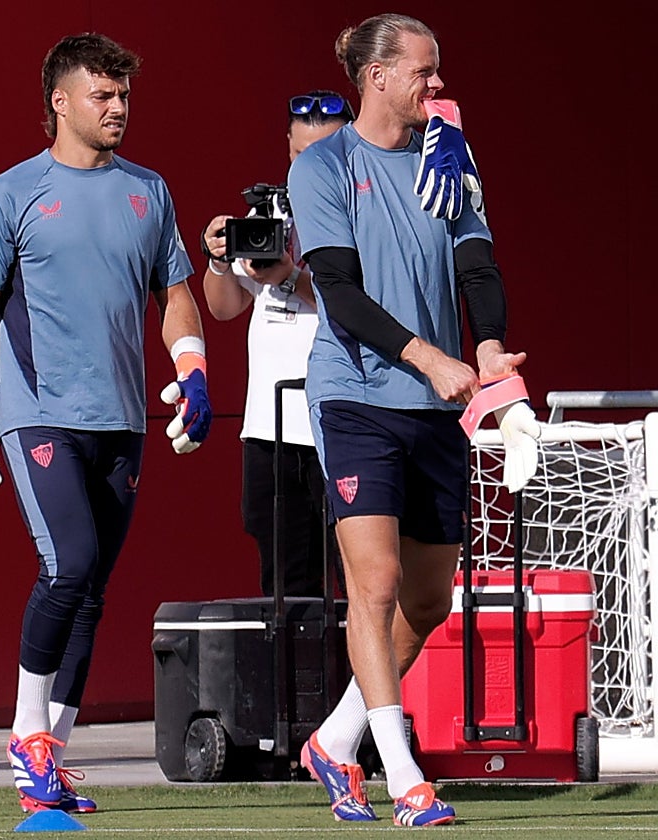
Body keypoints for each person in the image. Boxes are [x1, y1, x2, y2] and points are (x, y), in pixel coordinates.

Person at [0, 33, 211, 815]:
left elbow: (176, 295)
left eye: (124, 95)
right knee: (68, 565)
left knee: (92, 592)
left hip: (122, 419)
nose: (118, 107)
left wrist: (193, 368)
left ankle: (50, 758)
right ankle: (25, 737)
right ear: (60, 101)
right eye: (102, 95)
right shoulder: (7, 195)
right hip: (38, 415)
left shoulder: (149, 191)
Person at [286, 14, 539, 827]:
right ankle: (403, 779)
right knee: (376, 585)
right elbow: (339, 292)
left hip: (437, 407)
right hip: (355, 396)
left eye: (437, 70)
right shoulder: (323, 166)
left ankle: (334, 740)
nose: (437, 84)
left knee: (426, 602)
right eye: (424, 71)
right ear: (378, 77)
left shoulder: (450, 154)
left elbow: (477, 264)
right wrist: (432, 358)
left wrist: (488, 347)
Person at [199, 90, 353, 599]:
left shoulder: (365, 211)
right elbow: (224, 307)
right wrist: (219, 259)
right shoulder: (269, 213)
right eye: (301, 153)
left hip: (341, 421)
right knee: (284, 585)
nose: (311, 167)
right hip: (270, 427)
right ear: (287, 146)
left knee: (359, 578)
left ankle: (360, 659)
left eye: (325, 153)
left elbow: (363, 303)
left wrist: (289, 277)